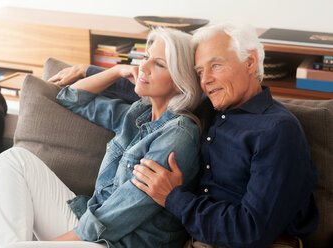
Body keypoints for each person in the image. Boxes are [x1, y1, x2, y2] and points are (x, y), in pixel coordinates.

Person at [56, 23, 319, 248]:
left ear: (249, 62)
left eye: (215, 66)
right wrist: (90, 69)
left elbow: (250, 230)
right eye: (200, 72)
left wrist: (174, 198)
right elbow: (152, 88)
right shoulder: (213, 104)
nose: (206, 80)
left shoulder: (277, 131)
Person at [0, 28, 203, 248]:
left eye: (159, 64)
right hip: (91, 221)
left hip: (119, 242)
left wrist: (60, 243)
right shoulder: (138, 113)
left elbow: (121, 213)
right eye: (146, 58)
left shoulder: (178, 135)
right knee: (13, 159)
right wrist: (117, 71)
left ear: (181, 81)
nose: (143, 67)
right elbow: (70, 97)